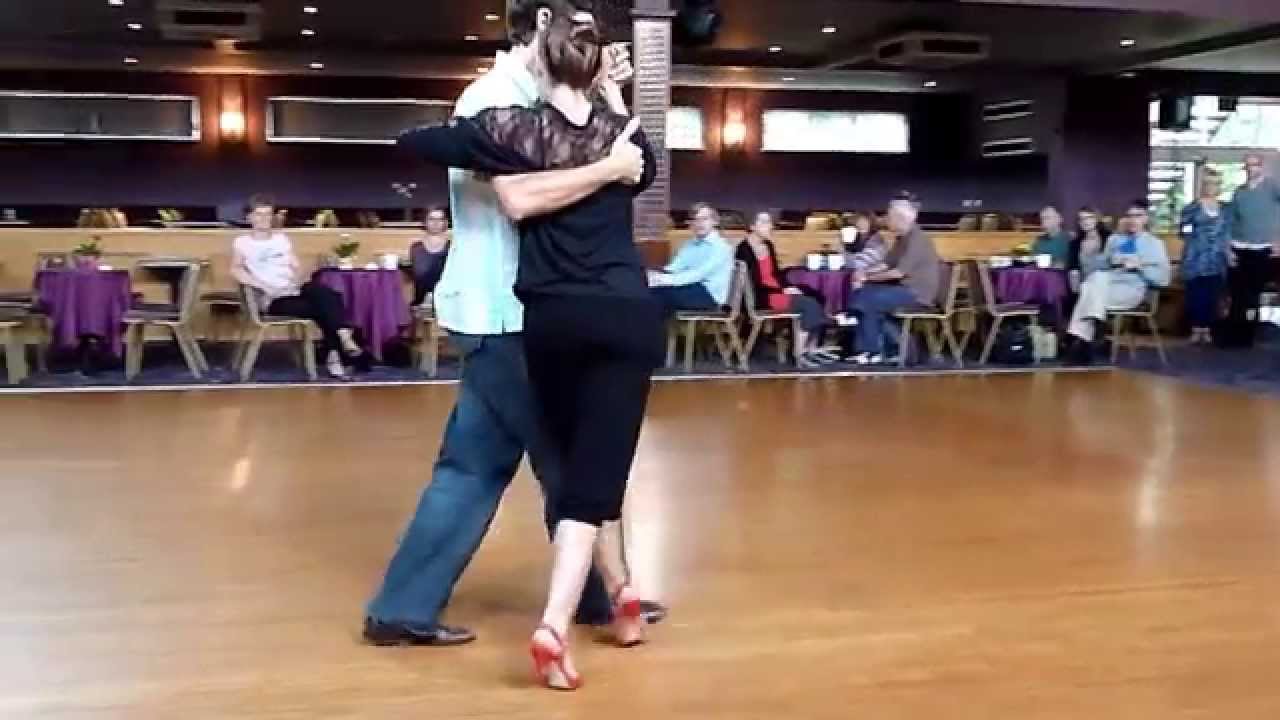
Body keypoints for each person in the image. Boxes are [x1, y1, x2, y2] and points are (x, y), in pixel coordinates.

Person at [364, 0, 663, 653]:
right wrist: (610, 163)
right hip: (510, 313)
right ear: (544, 24)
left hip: (506, 309)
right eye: (575, 29)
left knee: (473, 465)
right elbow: (520, 197)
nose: (582, 40)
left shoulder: (536, 98)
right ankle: (604, 597)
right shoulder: (496, 97)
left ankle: (403, 605)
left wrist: (604, 94)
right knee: (572, 459)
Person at [230, 194, 367, 379]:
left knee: (326, 294)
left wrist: (297, 278)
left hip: (293, 289)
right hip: (273, 298)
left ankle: (341, 340)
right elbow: (236, 270)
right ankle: (338, 349)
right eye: (259, 215)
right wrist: (263, 286)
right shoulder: (243, 242)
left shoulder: (282, 239)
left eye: (267, 215)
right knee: (323, 308)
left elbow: (296, 266)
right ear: (250, 217)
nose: (263, 219)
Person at [1065, 199, 1171, 362]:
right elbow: (1099, 265)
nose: (1132, 219)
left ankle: (1080, 338)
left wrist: (1139, 266)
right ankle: (1086, 340)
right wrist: (1110, 259)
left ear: (1146, 218)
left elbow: (1163, 279)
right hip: (1107, 285)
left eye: (1137, 215)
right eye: (1129, 216)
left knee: (1089, 288)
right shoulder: (1115, 240)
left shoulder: (1154, 244)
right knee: (1094, 280)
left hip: (1131, 291)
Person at [845, 194, 941, 365]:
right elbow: (886, 264)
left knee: (868, 300)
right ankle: (875, 349)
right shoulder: (901, 238)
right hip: (904, 289)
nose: (887, 220)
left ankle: (871, 349)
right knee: (865, 295)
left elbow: (898, 272)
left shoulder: (916, 238)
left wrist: (867, 277)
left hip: (917, 294)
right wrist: (863, 272)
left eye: (889, 216)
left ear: (900, 218)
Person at [735, 211, 835, 366]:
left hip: (775, 290)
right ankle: (798, 353)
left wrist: (789, 287)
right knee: (808, 305)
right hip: (762, 297)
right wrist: (783, 291)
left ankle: (812, 348)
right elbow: (753, 284)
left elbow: (776, 274)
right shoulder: (744, 250)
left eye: (769, 222)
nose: (770, 226)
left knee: (817, 295)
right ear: (753, 226)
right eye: (765, 222)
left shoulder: (768, 245)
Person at [1223, 153, 1280, 347]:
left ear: (1261, 167)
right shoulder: (1239, 192)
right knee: (1237, 293)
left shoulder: (1273, 187)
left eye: (1254, 165)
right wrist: (1228, 249)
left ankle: (1248, 334)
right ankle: (1234, 334)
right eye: (1247, 166)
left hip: (1262, 248)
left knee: (1251, 294)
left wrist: (1278, 240)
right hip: (1239, 247)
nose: (1250, 169)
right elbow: (1230, 222)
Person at [649, 202, 734, 317]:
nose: (699, 224)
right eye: (696, 220)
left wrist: (664, 280)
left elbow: (698, 274)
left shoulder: (721, 247)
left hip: (709, 295)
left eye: (704, 219)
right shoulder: (690, 244)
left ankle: (651, 333)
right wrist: (655, 276)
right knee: (649, 292)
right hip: (690, 286)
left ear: (714, 221)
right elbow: (674, 268)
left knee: (658, 296)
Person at [1179, 170, 1232, 344]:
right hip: (1195, 257)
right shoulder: (1191, 208)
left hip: (1217, 258)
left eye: (1215, 183)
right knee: (1196, 295)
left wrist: (1228, 252)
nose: (1211, 187)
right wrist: (1194, 240)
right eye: (1208, 183)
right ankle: (1196, 329)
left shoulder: (1226, 209)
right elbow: (1184, 231)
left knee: (1213, 295)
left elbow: (1228, 232)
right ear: (1202, 185)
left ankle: (1208, 329)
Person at [409, 205, 450, 307]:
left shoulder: (452, 248)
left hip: (446, 302)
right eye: (431, 219)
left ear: (445, 223)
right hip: (419, 302)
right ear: (425, 222)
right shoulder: (416, 248)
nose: (436, 223)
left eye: (440, 219)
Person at [1067, 206, 1111, 293]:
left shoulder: (1110, 238)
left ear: (1097, 219)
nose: (1085, 221)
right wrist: (1076, 290)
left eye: (1089, 217)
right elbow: (1073, 269)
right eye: (1081, 219)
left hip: (1107, 283)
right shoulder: (1075, 243)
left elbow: (1116, 264)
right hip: (1085, 285)